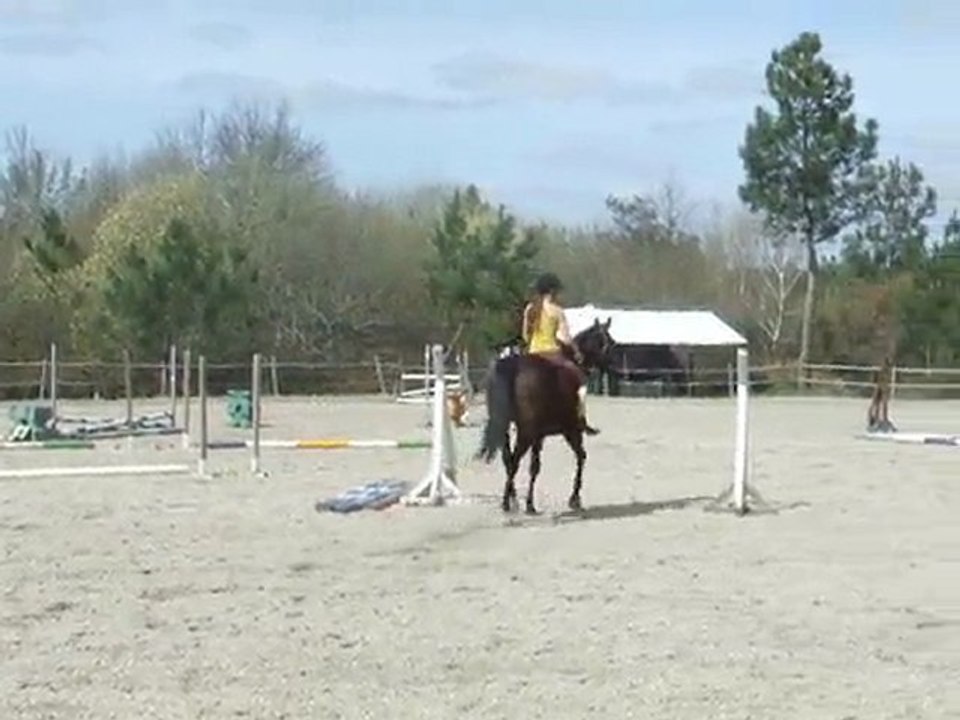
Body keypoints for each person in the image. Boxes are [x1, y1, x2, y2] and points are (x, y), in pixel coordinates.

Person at [521, 272, 599, 435]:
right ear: (552, 291)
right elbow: (566, 338)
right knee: (580, 383)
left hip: (532, 352)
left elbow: (525, 336)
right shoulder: (557, 311)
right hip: (551, 353)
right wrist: (576, 352)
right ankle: (580, 419)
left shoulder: (530, 309)